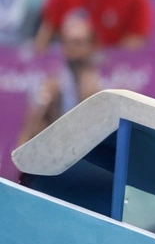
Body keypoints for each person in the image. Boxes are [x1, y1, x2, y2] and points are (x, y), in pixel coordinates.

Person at [17, 12, 101, 146]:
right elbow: (24, 142)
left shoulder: (108, 83)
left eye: (78, 43)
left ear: (91, 45)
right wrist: (43, 106)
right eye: (67, 42)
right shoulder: (52, 83)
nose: (72, 49)